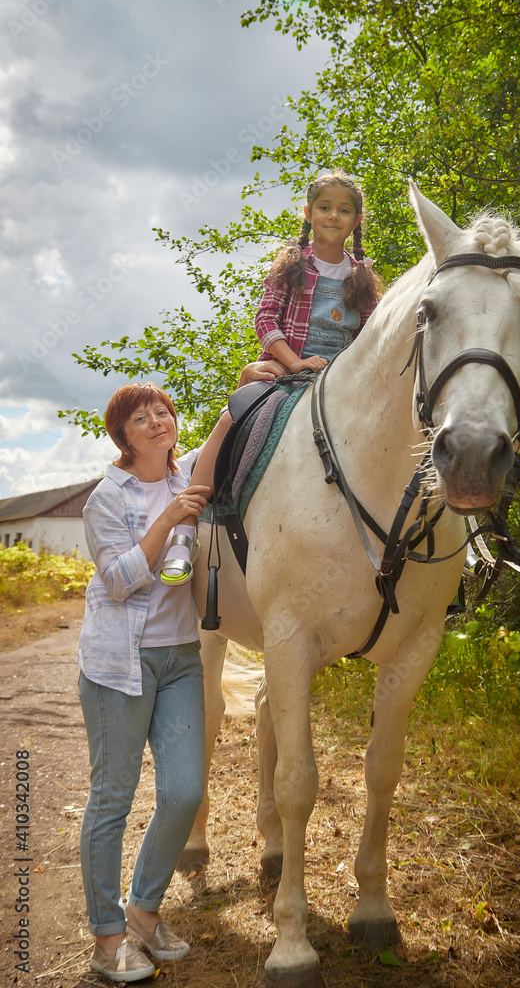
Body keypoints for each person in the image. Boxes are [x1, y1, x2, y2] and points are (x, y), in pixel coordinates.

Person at [77, 365, 274, 982]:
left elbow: (217, 448)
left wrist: (242, 395)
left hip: (181, 658)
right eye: (142, 417)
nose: (157, 420)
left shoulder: (187, 472)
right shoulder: (106, 499)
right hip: (119, 663)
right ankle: (109, 941)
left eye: (162, 410)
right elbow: (117, 581)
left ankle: (142, 915)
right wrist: (170, 520)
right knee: (112, 798)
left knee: (185, 791)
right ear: (123, 437)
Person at [159, 169, 379, 584]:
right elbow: (265, 318)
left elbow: (369, 334)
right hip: (286, 372)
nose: (334, 216)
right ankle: (186, 530)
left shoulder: (361, 275)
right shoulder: (292, 266)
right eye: (325, 207)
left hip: (342, 380)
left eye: (344, 210)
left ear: (356, 220)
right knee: (231, 419)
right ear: (309, 213)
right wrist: (293, 361)